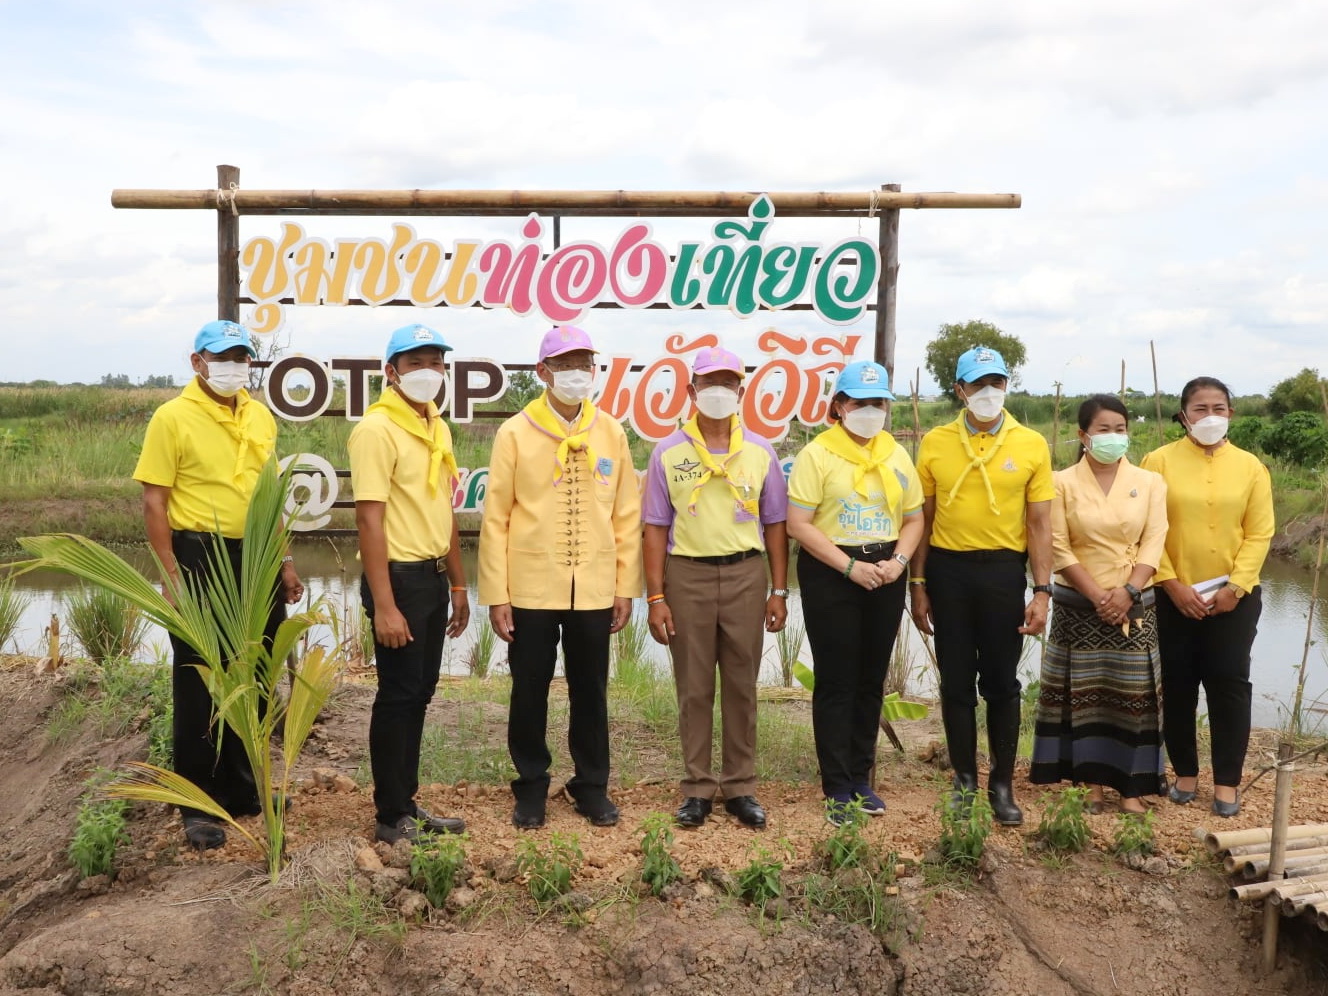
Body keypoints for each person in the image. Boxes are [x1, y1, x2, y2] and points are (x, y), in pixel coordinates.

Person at [133, 319, 303, 851]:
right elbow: (154, 501)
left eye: (241, 356)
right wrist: (170, 574)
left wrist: (285, 560)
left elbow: (269, 492)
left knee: (253, 670)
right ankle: (196, 802)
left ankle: (243, 788)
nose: (233, 365)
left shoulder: (260, 415)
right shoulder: (173, 417)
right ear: (197, 361)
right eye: (222, 355)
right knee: (199, 679)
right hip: (199, 554)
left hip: (255, 555)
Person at [478, 325, 642, 830]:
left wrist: (623, 586)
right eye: (566, 364)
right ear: (542, 372)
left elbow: (626, 513)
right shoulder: (515, 432)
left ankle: (590, 786)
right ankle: (531, 787)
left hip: (593, 584)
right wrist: (497, 595)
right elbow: (497, 517)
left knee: (590, 689)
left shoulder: (611, 431)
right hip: (531, 584)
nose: (577, 373)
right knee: (529, 688)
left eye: (584, 364)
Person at [642, 346, 789, 830]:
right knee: (694, 685)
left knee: (743, 683)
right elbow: (656, 529)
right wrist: (657, 596)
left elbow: (775, 525)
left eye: (729, 383)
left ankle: (740, 786)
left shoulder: (760, 451)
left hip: (747, 574)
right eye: (709, 383)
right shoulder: (669, 452)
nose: (719, 392)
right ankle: (698, 788)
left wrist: (779, 590)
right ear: (691, 392)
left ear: (742, 391)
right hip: (688, 576)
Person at [909, 346, 1054, 826]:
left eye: (997, 383)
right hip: (949, 572)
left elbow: (1038, 525)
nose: (988, 393)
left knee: (1002, 683)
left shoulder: (1031, 444)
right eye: (978, 384)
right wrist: (919, 582)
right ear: (960, 391)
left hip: (1002, 574)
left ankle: (1002, 784)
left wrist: (1041, 590)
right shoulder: (935, 442)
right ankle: (964, 781)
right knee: (955, 682)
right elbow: (923, 521)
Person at [786, 360, 922, 824]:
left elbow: (914, 517)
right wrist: (849, 567)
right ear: (839, 405)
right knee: (837, 680)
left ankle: (862, 779)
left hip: (886, 569)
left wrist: (898, 562)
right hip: (833, 570)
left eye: (878, 402)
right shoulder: (818, 454)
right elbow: (798, 524)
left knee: (871, 678)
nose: (870, 410)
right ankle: (836, 785)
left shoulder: (895, 454)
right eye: (859, 402)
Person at [348, 323, 469, 844]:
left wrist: (460, 586)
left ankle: (407, 803)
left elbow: (442, 510)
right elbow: (369, 520)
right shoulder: (375, 430)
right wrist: (385, 606)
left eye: (436, 362)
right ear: (390, 371)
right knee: (396, 695)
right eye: (415, 362)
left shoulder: (435, 427)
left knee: (420, 692)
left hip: (432, 578)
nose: (428, 372)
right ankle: (389, 815)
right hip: (395, 580)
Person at [1141, 377, 1274, 818]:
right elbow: (1148, 530)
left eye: (1219, 407)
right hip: (1173, 594)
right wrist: (1169, 582)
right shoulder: (1157, 462)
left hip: (1234, 599)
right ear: (1183, 416)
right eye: (1200, 409)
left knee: (1229, 684)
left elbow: (1259, 533)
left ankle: (1227, 783)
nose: (1210, 416)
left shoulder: (1251, 466)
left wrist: (1236, 587)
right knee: (1178, 684)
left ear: (1231, 414)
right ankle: (1184, 775)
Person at [1029, 395, 1168, 813]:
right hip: (1078, 604)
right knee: (1083, 696)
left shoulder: (1149, 482)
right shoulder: (1060, 481)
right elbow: (1056, 544)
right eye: (1104, 429)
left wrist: (1127, 592)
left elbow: (1155, 538)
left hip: (1134, 602)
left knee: (1135, 696)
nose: (1113, 437)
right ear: (1083, 434)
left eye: (1120, 429)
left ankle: (1131, 787)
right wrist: (1097, 597)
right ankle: (1089, 784)